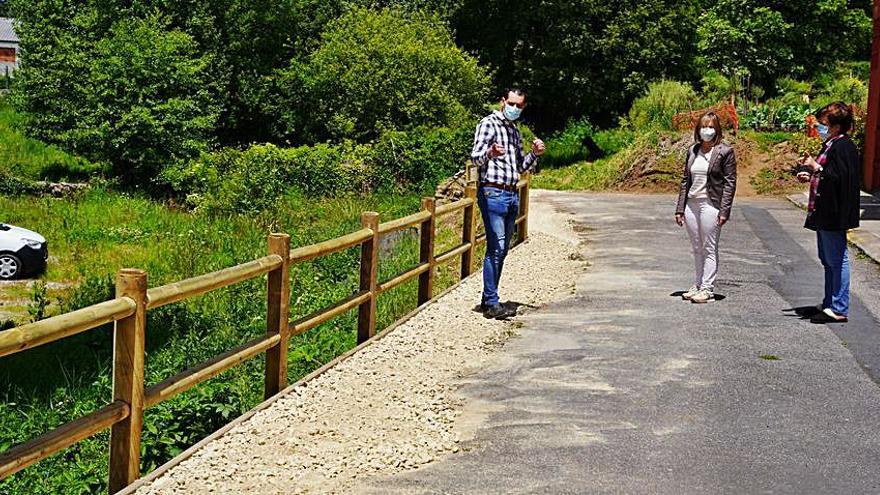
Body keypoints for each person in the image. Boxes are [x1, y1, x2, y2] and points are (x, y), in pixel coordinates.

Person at [471, 88, 546, 319]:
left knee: (501, 248)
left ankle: (488, 298)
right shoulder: (488, 124)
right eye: (511, 103)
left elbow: (520, 166)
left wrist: (534, 154)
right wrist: (490, 153)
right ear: (503, 101)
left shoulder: (514, 131)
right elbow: (474, 157)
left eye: (519, 105)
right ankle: (492, 304)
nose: (514, 107)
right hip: (492, 192)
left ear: (523, 107)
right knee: (497, 245)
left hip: (512, 194)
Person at [796, 102, 861, 323]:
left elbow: (841, 178)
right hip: (823, 211)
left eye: (823, 123)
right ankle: (829, 302)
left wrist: (817, 168)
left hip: (835, 213)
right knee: (827, 259)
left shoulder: (844, 146)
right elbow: (825, 172)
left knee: (837, 259)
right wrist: (809, 171)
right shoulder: (830, 144)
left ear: (835, 125)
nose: (820, 127)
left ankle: (839, 306)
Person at [675, 112, 737, 304]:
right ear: (698, 130)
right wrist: (680, 208)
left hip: (711, 204)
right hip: (691, 204)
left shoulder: (724, 152)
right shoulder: (693, 151)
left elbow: (730, 183)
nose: (707, 130)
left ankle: (708, 288)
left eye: (711, 127)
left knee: (709, 246)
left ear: (716, 129)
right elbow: (686, 180)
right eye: (704, 126)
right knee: (696, 247)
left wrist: (724, 210)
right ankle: (698, 283)